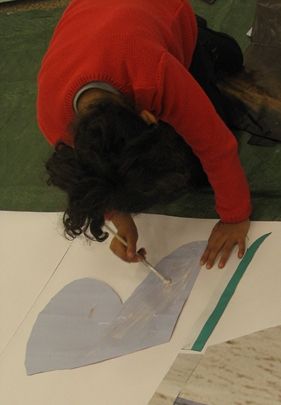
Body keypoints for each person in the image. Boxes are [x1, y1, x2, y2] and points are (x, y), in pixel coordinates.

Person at [37, 0, 252, 269]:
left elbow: (215, 144)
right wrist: (118, 216)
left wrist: (235, 217)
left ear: (149, 116)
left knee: (196, 168)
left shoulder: (155, 74)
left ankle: (200, 38)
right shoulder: (53, 119)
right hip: (97, 21)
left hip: (164, 9)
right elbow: (92, 172)